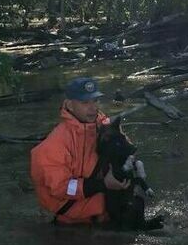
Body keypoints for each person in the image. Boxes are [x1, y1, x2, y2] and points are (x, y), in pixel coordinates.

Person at [30, 76, 130, 225]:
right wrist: (104, 184)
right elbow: (61, 188)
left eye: (95, 101)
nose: (93, 108)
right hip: (73, 227)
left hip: (110, 214)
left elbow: (126, 148)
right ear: (69, 105)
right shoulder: (52, 146)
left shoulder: (106, 126)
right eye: (85, 103)